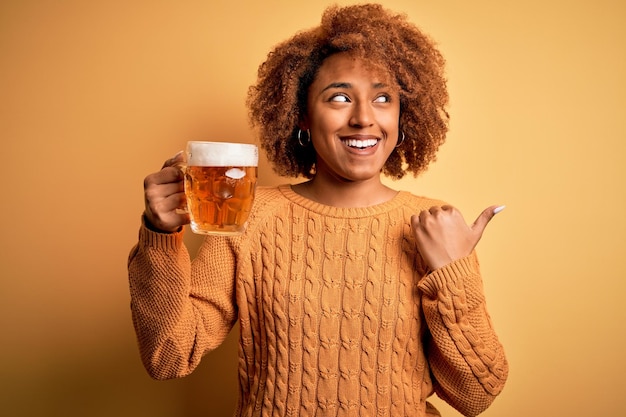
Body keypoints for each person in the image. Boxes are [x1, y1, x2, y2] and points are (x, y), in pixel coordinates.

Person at [128, 3, 508, 417]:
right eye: (340, 97)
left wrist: (452, 275)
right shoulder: (250, 219)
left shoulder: (434, 226)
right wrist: (160, 236)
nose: (364, 118)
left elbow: (477, 394)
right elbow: (168, 355)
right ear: (303, 117)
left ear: (403, 116)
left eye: (383, 98)